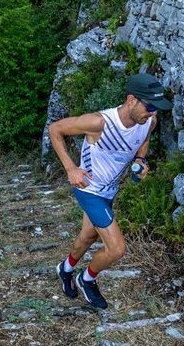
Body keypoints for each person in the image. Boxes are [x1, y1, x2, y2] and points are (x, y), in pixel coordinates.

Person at [47, 73, 172, 309]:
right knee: (116, 249)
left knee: (88, 236)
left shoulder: (148, 121)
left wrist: (140, 161)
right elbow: (55, 129)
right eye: (150, 106)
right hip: (89, 189)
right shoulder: (99, 122)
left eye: (157, 108)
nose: (153, 113)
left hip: (109, 191)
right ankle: (87, 279)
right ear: (131, 99)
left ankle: (65, 269)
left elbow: (144, 138)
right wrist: (71, 168)